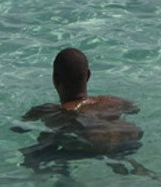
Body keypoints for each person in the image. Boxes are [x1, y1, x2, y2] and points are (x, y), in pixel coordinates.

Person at [18, 48, 149, 175]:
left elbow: (19, 128)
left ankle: (62, 177)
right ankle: (123, 160)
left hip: (87, 147)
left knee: (37, 147)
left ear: (55, 79)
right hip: (130, 142)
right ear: (88, 75)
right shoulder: (111, 101)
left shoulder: (48, 110)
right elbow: (134, 109)